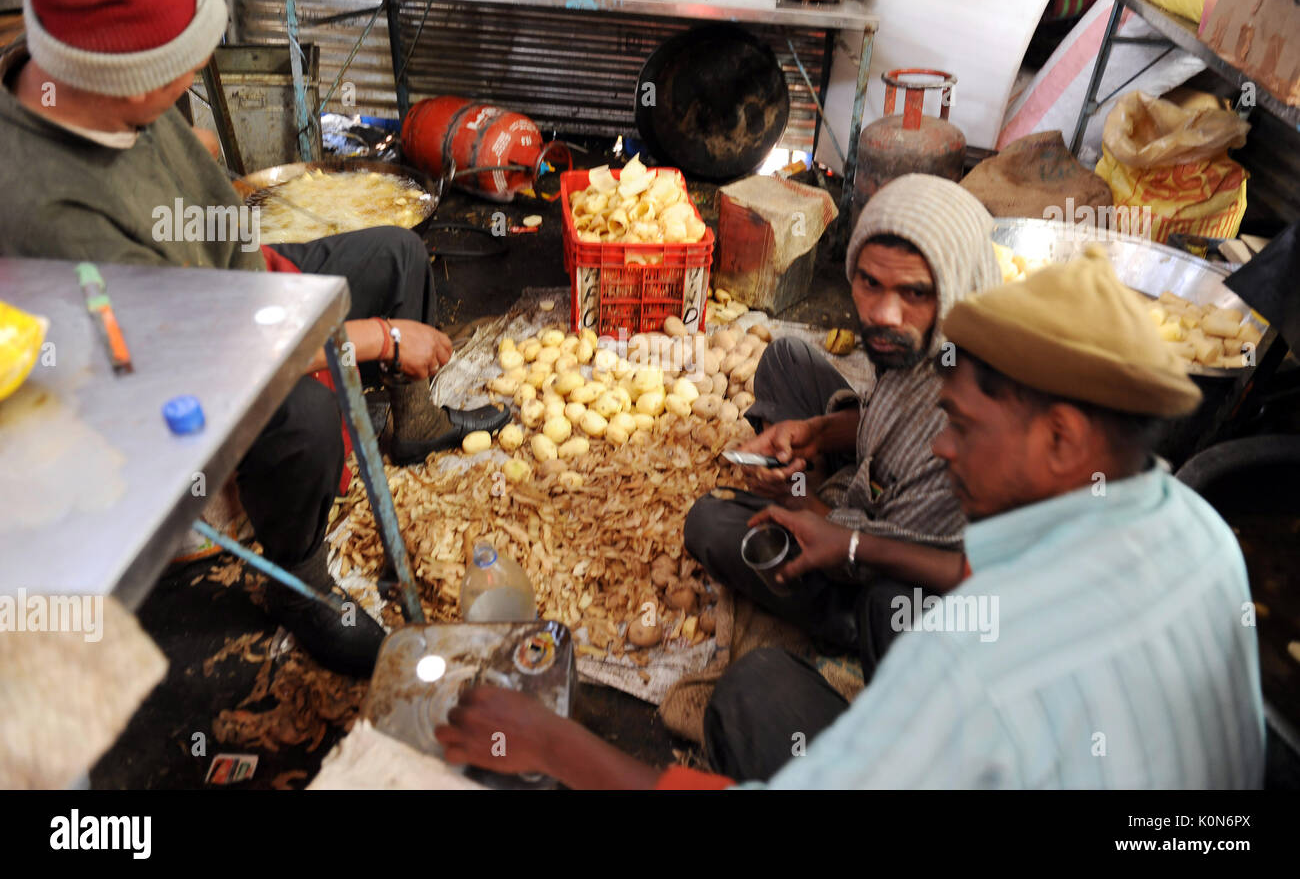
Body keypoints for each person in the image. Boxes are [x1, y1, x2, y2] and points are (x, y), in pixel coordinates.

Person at [436, 248, 1265, 789]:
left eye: (965, 426)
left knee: (756, 691)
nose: (941, 450)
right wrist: (854, 538)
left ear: (1061, 437)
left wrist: (554, 747)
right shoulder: (1200, 533)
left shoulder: (972, 662)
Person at [0, 0, 509, 676]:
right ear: (127, 79)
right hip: (133, 383)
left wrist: (280, 275)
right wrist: (373, 338)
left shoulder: (108, 88)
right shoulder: (48, 208)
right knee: (302, 416)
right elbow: (195, 352)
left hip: (220, 286)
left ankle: (413, 419)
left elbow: (220, 245)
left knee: (393, 252)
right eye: (185, 66)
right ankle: (300, 581)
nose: (202, 68)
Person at [684, 174, 1000, 676]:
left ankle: (841, 627)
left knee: (708, 521)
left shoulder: (967, 421)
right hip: (874, 484)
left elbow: (876, 554)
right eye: (869, 282)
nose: (882, 313)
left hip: (883, 578)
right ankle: (818, 472)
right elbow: (881, 411)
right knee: (787, 356)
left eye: (914, 292)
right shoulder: (927, 336)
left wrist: (798, 502)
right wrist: (817, 431)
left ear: (955, 286)